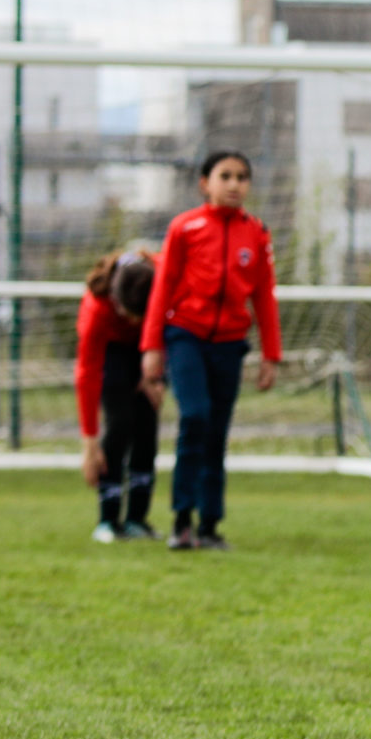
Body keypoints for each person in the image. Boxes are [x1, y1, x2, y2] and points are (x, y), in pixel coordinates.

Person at [140, 152, 281, 552]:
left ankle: (210, 525)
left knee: (217, 433)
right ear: (205, 183)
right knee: (195, 417)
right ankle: (181, 519)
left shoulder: (256, 233)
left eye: (242, 176)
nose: (235, 184)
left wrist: (271, 355)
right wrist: (151, 346)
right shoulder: (185, 227)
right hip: (185, 335)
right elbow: (163, 288)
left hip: (230, 345)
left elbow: (264, 298)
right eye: (226, 176)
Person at [78, 250, 160, 542]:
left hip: (148, 351)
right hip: (114, 354)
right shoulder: (97, 308)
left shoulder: (163, 273)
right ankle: (108, 520)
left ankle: (138, 519)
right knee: (120, 424)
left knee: (147, 426)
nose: (134, 321)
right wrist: (89, 441)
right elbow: (86, 374)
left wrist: (155, 375)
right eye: (128, 314)